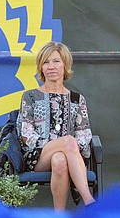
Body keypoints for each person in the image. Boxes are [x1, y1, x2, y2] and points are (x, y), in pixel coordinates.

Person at [17, 41, 95, 208]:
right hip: (38, 157)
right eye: (46, 62)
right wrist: (60, 145)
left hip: (70, 157)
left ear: (65, 65)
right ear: (41, 68)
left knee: (60, 159)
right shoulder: (30, 97)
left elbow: (84, 134)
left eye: (56, 61)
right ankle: (89, 201)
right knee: (67, 142)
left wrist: (68, 149)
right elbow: (26, 134)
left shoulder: (77, 99)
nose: (51, 66)